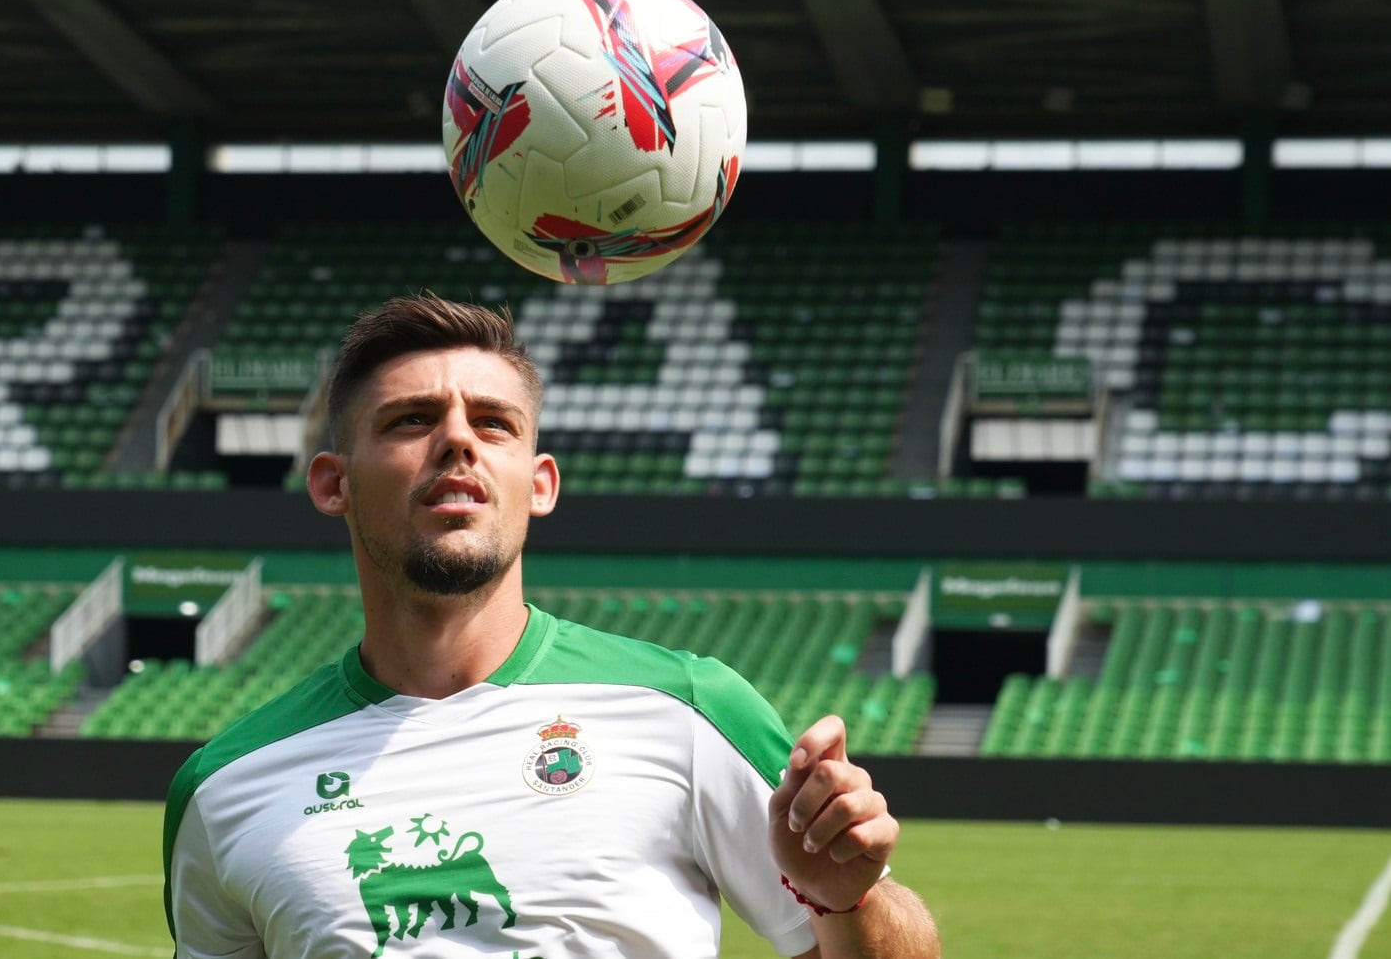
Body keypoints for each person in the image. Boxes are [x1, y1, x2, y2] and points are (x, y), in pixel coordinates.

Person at [164, 292, 941, 959]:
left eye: (495, 423)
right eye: (411, 419)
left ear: (539, 485)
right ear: (334, 483)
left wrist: (851, 902)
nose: (459, 439)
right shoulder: (224, 787)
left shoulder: (690, 708)